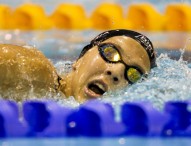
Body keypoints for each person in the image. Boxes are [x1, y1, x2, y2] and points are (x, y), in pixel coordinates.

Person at [0, 29, 156, 102]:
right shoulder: (33, 73)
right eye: (110, 53)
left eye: (134, 74)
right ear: (79, 59)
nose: (116, 72)